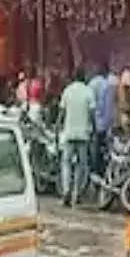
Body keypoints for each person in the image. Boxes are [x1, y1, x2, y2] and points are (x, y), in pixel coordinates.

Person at [57, 67, 96, 207]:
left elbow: (62, 112)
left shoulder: (67, 90)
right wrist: (92, 128)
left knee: (66, 162)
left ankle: (66, 190)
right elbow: (92, 113)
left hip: (69, 132)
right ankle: (77, 193)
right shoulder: (88, 92)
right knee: (81, 164)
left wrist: (58, 126)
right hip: (83, 133)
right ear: (84, 77)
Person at [88, 65, 115, 177]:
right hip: (105, 121)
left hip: (95, 120)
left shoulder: (92, 84)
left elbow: (90, 104)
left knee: (94, 145)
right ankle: (102, 169)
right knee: (104, 147)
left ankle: (94, 169)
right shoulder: (107, 84)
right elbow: (109, 105)